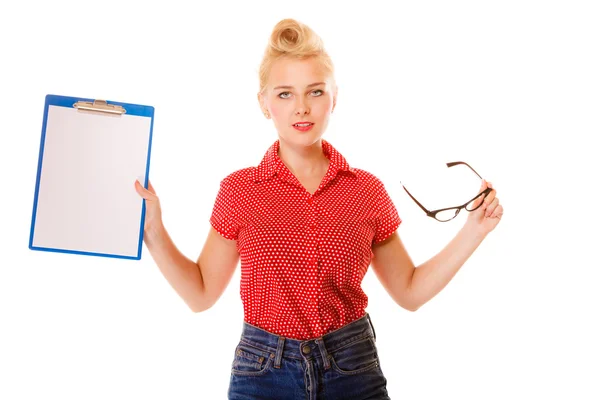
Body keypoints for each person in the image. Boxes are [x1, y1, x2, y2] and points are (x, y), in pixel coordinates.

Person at [134, 18, 503, 400]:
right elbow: (201, 294)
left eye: (314, 91)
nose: (301, 108)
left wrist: (474, 230)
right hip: (263, 375)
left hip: (352, 369)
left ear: (334, 98)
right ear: (263, 103)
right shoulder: (240, 190)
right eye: (284, 94)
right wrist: (155, 233)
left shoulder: (366, 191)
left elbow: (409, 292)